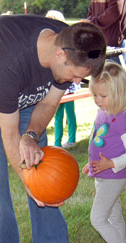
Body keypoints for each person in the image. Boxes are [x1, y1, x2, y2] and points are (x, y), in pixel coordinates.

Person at [0, 15, 106, 243]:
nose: (77, 83)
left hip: (26, 92)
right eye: (76, 75)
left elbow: (48, 102)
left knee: (43, 167)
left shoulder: (71, 43)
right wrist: (31, 184)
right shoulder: (7, 60)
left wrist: (32, 135)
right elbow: (9, 133)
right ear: (59, 56)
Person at [82, 61, 126, 243]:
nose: (98, 101)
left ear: (119, 93)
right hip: (102, 174)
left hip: (114, 176)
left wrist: (110, 164)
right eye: (95, 95)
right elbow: (99, 140)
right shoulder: (103, 112)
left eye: (103, 96)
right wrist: (92, 162)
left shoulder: (125, 120)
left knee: (97, 218)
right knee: (114, 216)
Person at [45, 10, 80, 149]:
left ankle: (70, 140)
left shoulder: (66, 44)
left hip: (67, 88)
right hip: (56, 88)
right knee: (58, 115)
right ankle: (58, 143)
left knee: (68, 114)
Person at [87, 0, 126, 74]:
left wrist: (93, 22)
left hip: (115, 43)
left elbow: (115, 10)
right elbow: (91, 9)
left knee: (119, 79)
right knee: (100, 79)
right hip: (99, 43)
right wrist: (91, 21)